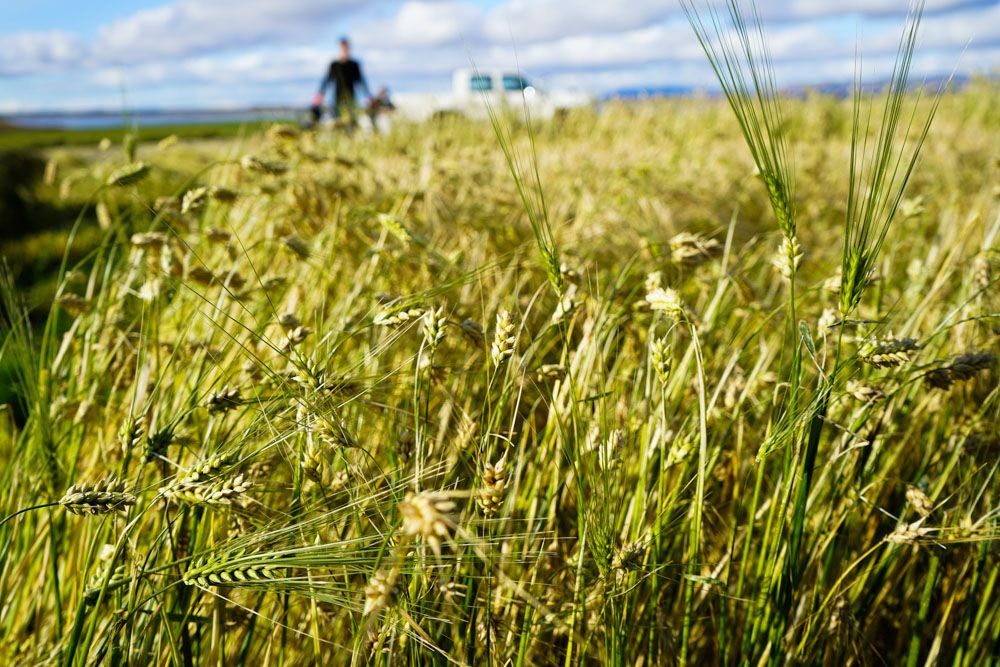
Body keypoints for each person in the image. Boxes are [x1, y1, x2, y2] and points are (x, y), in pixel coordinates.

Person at [315, 37, 371, 130]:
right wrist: (320, 95)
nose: (344, 50)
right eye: (342, 48)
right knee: (338, 122)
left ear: (349, 48)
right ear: (339, 48)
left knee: (352, 123)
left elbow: (361, 81)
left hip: (351, 99)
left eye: (346, 48)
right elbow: (327, 81)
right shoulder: (334, 65)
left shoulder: (354, 65)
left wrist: (368, 96)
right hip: (337, 99)